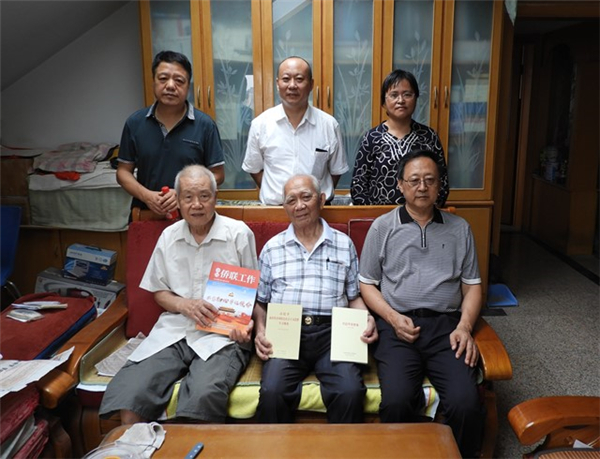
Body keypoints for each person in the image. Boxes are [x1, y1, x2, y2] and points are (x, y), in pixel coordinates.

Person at [100, 165, 257, 424]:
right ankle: (135, 443)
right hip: (174, 330)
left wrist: (249, 323)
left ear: (215, 197)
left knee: (203, 395)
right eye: (188, 197)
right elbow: (159, 292)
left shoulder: (238, 234)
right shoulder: (169, 236)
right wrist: (185, 305)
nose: (197, 205)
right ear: (179, 201)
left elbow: (252, 293)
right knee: (131, 393)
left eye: (204, 196)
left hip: (221, 336)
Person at [358, 150, 484, 457]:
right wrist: (391, 317)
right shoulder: (383, 227)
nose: (422, 187)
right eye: (414, 180)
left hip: (447, 329)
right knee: (397, 401)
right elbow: (366, 283)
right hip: (397, 327)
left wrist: (465, 327)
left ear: (439, 185)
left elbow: (472, 286)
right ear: (400, 185)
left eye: (430, 180)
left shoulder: (460, 228)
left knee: (466, 403)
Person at [252, 174, 378, 422]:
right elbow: (261, 302)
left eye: (306, 197)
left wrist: (367, 318)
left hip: (333, 334)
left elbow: (354, 296)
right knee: (272, 392)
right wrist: (261, 330)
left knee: (350, 391)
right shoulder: (272, 248)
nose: (299, 205)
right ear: (285, 207)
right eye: (291, 200)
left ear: (321, 200)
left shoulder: (343, 244)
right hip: (286, 332)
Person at [117, 50, 225, 217]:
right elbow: (123, 172)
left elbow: (218, 174)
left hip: (193, 215)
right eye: (163, 78)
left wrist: (182, 192)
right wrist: (147, 196)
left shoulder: (205, 125)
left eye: (179, 81)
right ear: (153, 82)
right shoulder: (135, 123)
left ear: (188, 87)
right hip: (146, 212)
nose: (170, 86)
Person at [242, 57, 349, 205]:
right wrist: (277, 194)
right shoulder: (260, 125)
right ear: (277, 83)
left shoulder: (329, 125)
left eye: (299, 79)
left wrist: (314, 197)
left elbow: (336, 171)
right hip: (275, 210)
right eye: (286, 79)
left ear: (311, 84)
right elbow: (254, 169)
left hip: (318, 210)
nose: (292, 85)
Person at [351, 69, 449, 207]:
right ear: (384, 102)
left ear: (416, 99)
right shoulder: (372, 138)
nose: (401, 100)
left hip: (422, 215)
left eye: (407, 94)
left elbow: (442, 182)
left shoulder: (429, 137)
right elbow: (358, 185)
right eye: (394, 95)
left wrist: (427, 212)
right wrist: (374, 214)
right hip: (380, 216)